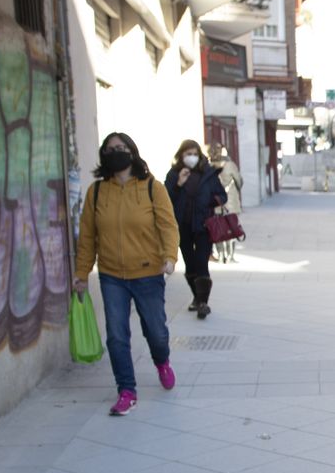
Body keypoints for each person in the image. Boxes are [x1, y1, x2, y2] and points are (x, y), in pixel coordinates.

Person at [73, 132, 180, 417]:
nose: (115, 152)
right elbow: (87, 237)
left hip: (148, 272)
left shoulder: (151, 188)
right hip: (111, 276)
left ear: (132, 153)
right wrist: (81, 273)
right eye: (110, 149)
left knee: (156, 332)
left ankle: (162, 361)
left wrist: (170, 257)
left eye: (121, 148)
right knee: (117, 336)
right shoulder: (96, 192)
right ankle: (127, 390)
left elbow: (168, 226)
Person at [164, 139, 227, 319]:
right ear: (181, 156)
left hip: (203, 225)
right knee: (190, 265)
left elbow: (221, 195)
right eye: (187, 154)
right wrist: (178, 184)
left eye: (194, 154)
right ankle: (197, 297)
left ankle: (203, 303)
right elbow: (166, 199)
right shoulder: (174, 174)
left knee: (202, 264)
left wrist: (211, 202)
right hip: (182, 226)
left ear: (199, 155)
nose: (191, 157)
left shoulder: (208, 173)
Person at [213, 147, 244, 264]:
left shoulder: (211, 165)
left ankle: (221, 255)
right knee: (231, 227)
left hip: (216, 201)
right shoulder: (230, 165)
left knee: (218, 228)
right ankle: (230, 256)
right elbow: (238, 181)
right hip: (230, 200)